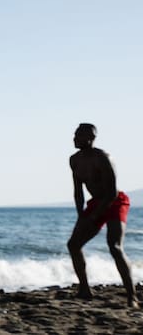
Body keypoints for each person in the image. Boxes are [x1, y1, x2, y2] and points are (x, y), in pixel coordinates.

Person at [67, 123, 138, 308]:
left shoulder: (103, 157)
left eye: (79, 135)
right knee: (74, 244)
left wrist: (95, 216)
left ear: (90, 138)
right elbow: (78, 192)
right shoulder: (74, 160)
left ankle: (132, 297)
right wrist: (81, 215)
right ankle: (84, 290)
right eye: (74, 135)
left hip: (115, 201)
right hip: (96, 202)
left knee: (114, 246)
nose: (74, 138)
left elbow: (112, 192)